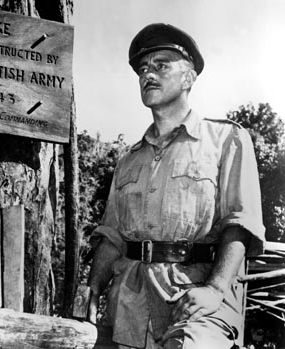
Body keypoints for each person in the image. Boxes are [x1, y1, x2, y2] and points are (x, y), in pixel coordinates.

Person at [87, 23, 265, 349]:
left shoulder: (227, 140)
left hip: (198, 297)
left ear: (188, 78)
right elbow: (112, 236)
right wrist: (92, 290)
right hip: (130, 301)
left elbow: (241, 226)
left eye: (161, 65)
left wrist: (214, 290)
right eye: (143, 68)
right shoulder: (129, 160)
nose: (148, 75)